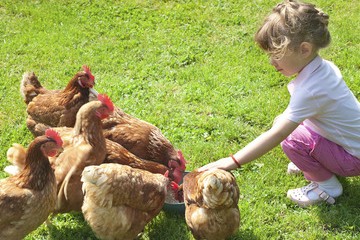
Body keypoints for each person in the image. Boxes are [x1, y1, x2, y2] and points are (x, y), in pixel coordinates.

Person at [198, 0, 360, 207]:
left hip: (353, 159)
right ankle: (314, 163)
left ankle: (327, 186)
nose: (272, 62)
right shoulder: (323, 68)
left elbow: (278, 134)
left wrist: (232, 161)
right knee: (283, 121)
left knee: (291, 139)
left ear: (304, 49)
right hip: (351, 144)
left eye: (276, 54)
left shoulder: (310, 90)